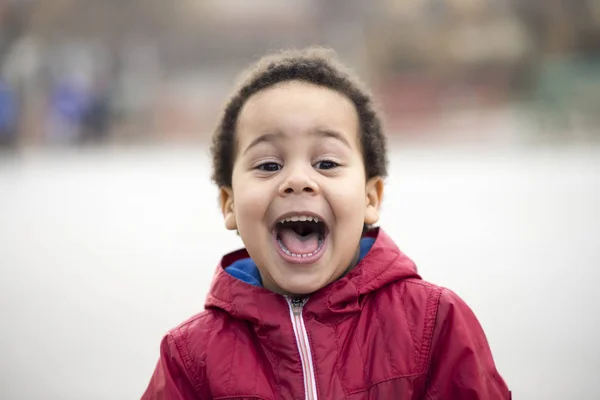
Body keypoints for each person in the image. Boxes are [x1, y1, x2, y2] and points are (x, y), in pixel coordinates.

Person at [141, 47, 511, 399]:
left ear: (371, 198)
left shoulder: (434, 325)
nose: (298, 179)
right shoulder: (190, 358)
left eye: (327, 163)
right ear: (229, 204)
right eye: (269, 165)